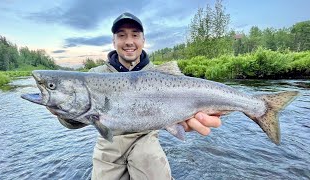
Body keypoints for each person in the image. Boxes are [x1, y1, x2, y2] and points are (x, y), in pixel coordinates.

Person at [58, 12, 222, 180]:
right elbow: (74, 121)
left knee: (150, 162)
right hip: (109, 141)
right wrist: (62, 111)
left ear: (143, 40)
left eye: (135, 35)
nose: (129, 41)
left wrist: (181, 116)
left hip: (146, 138)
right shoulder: (95, 76)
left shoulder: (159, 74)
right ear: (114, 41)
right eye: (121, 35)